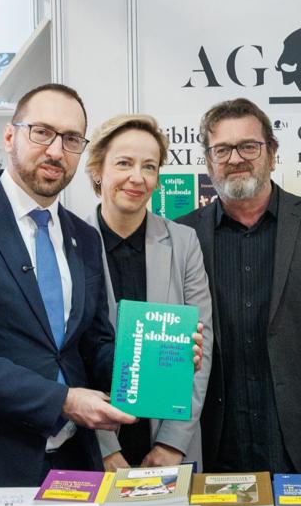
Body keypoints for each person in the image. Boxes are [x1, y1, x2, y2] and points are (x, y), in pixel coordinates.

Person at [0, 83, 131, 487]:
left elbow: (92, 345)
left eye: (71, 139)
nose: (56, 151)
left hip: (75, 465)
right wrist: (63, 401)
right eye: (42, 132)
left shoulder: (85, 238)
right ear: (10, 136)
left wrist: (152, 362)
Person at [177, 98, 301, 480]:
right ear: (208, 162)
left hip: (297, 439)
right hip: (212, 438)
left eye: (249, 146)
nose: (236, 158)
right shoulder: (183, 234)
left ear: (273, 153)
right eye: (222, 149)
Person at [83, 113, 214, 469]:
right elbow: (69, 357)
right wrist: (105, 448)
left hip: (170, 443)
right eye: (124, 163)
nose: (137, 177)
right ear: (98, 170)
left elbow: (200, 348)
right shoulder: (70, 242)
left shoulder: (184, 242)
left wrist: (172, 442)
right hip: (95, 441)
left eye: (149, 167)